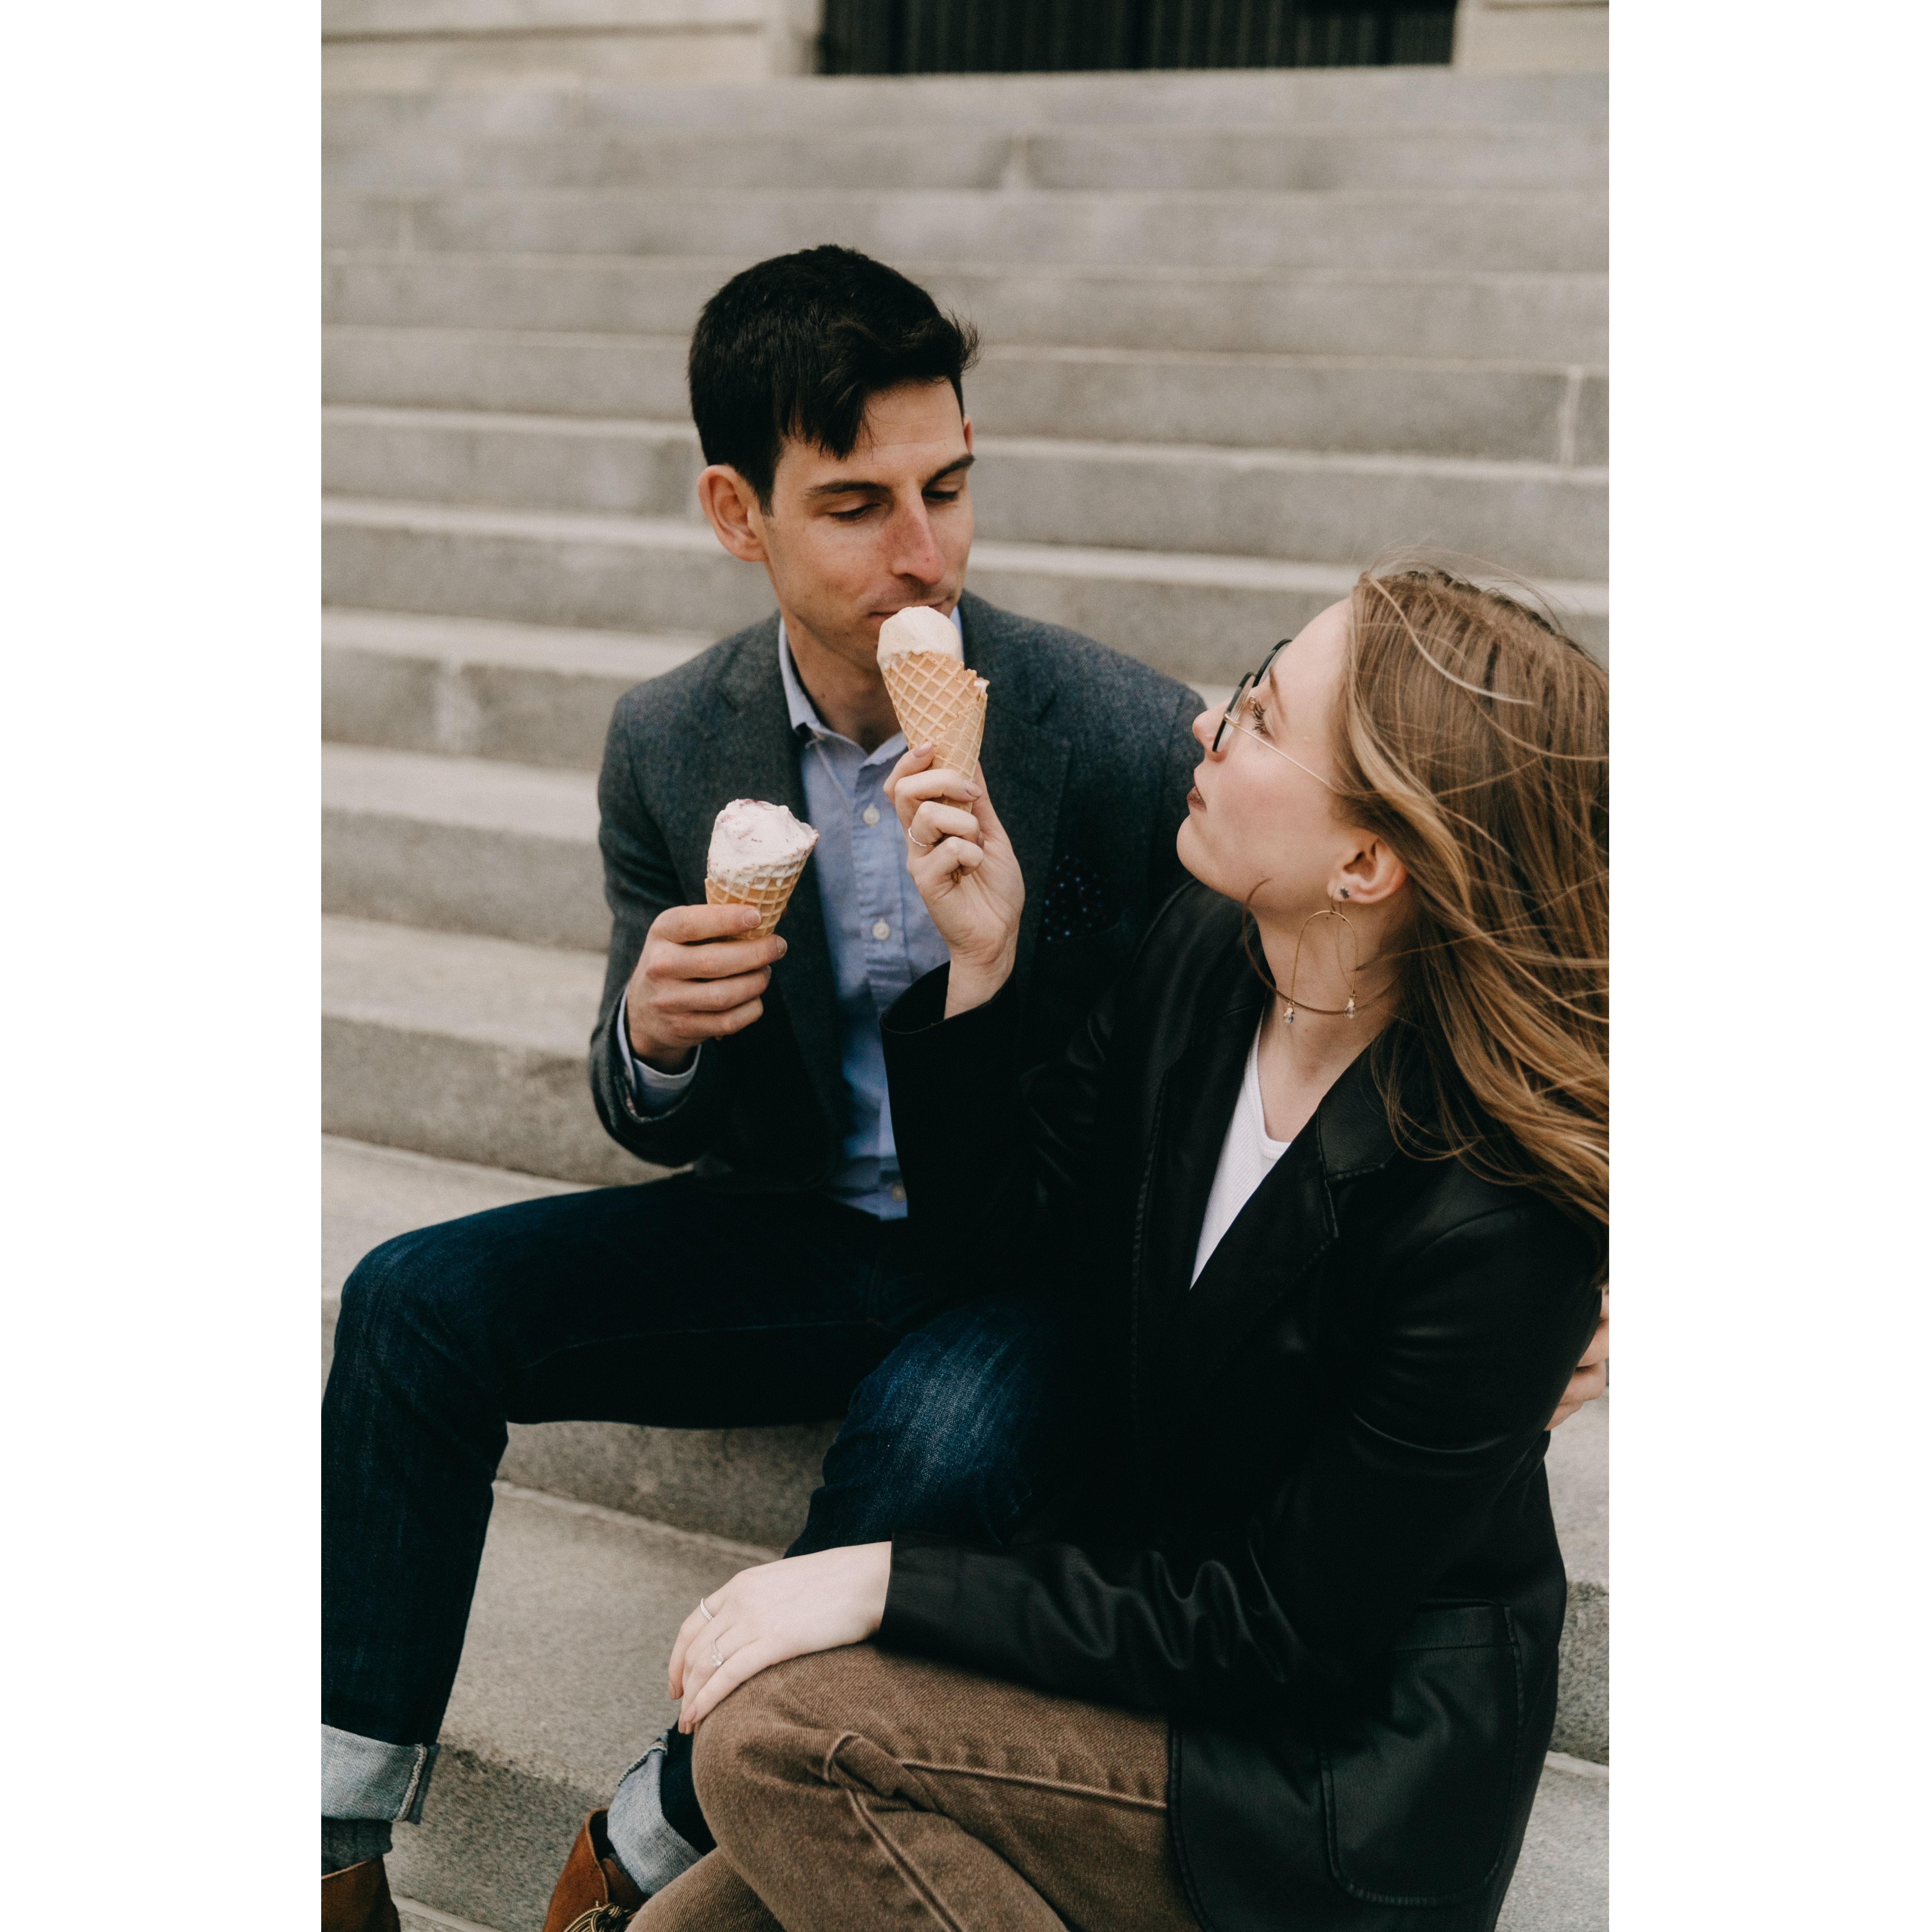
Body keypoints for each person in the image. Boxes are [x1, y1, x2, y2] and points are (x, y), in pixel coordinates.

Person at [320, 245, 1214, 1932]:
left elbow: (1183, 1101)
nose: (926, 549)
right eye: (859, 504)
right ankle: (327, 1848)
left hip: (1031, 1269)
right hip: (800, 1230)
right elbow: (645, 1102)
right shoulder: (673, 738)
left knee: (936, 1438)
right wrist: (655, 1040)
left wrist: (999, 970)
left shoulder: (1105, 735)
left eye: (949, 486)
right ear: (740, 514)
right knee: (409, 1303)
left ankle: (646, 1836)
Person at [592, 565, 1609, 1932]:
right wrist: (985, 967)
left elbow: (1277, 1630)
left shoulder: (1494, 1220)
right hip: (1147, 1643)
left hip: (1317, 1782)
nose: (1208, 724)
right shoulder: (1212, 952)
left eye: (1261, 716)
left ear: (1367, 864)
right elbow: (1003, 1252)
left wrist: (881, 1580)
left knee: (773, 1738)